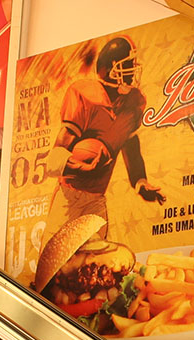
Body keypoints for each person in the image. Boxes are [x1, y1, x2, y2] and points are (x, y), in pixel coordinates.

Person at [45, 35, 165, 241]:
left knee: (98, 257)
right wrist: (82, 168)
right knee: (56, 258)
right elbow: (54, 161)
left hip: (96, 199)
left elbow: (130, 144)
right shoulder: (84, 95)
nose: (132, 70)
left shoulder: (133, 101)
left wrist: (140, 181)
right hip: (69, 197)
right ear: (111, 69)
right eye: (127, 65)